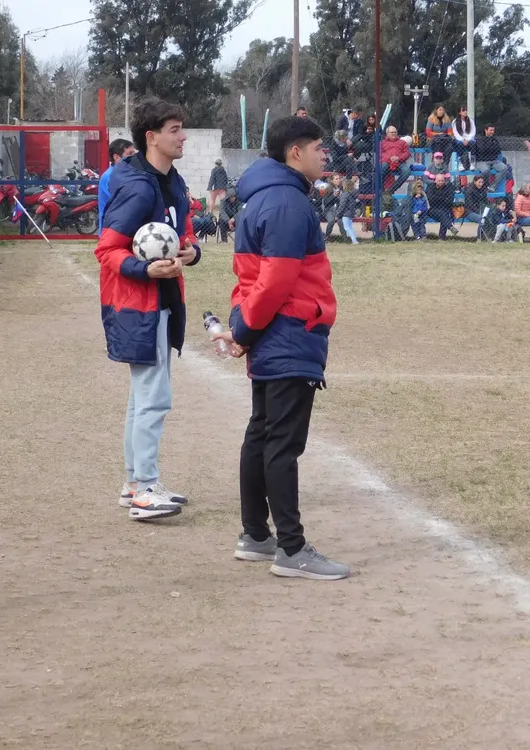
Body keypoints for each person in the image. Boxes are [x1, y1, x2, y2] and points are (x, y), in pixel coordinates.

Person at [210, 115, 349, 581]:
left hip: (274, 333)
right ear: (295, 152)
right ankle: (291, 548)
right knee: (281, 443)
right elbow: (273, 282)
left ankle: (254, 535)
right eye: (317, 147)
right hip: (289, 333)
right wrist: (245, 330)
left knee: (262, 433)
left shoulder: (259, 197)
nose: (324, 155)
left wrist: (241, 326)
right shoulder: (288, 202)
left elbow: (247, 279)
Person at [95, 97, 201, 521]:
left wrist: (190, 254)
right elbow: (106, 249)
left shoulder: (171, 181)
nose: (183, 136)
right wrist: (144, 268)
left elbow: (185, 236)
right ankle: (143, 490)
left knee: (143, 397)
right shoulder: (137, 187)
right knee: (153, 396)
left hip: (163, 299)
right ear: (151, 137)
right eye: (174, 129)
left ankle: (135, 483)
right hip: (136, 304)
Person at [98, 138, 137, 230]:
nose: (134, 157)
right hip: (113, 229)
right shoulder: (111, 176)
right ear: (116, 158)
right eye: (130, 154)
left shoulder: (126, 173)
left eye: (134, 153)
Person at [379, 125, 412, 195]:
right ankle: (381, 191)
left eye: (395, 132)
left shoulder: (402, 142)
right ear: (387, 133)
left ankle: (390, 191)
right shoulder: (382, 143)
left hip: (399, 162)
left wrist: (398, 158)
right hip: (387, 162)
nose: (394, 133)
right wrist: (390, 158)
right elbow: (380, 154)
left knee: (407, 171)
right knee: (381, 168)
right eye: (392, 132)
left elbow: (407, 153)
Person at [474, 125, 508, 189]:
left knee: (504, 168)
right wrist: (492, 148)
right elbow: (482, 150)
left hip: (493, 161)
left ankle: (492, 186)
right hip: (481, 161)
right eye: (490, 130)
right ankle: (484, 186)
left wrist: (489, 148)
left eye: (493, 130)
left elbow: (498, 150)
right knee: (486, 170)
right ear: (486, 130)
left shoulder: (494, 140)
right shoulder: (479, 139)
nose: (492, 132)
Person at [425, 173, 457, 239]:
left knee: (444, 214)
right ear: (435, 180)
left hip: (444, 208)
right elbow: (430, 199)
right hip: (432, 209)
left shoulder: (449, 187)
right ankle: (449, 228)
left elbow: (450, 201)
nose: (441, 182)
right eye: (439, 180)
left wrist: (436, 198)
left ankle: (442, 237)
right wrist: (444, 198)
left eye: (442, 180)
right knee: (444, 214)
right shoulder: (430, 186)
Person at [338, 177, 360, 245]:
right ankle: (354, 238)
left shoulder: (345, 194)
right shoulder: (353, 194)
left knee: (347, 227)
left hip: (346, 213)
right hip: (351, 212)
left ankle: (354, 240)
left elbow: (342, 205)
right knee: (349, 226)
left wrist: (338, 214)